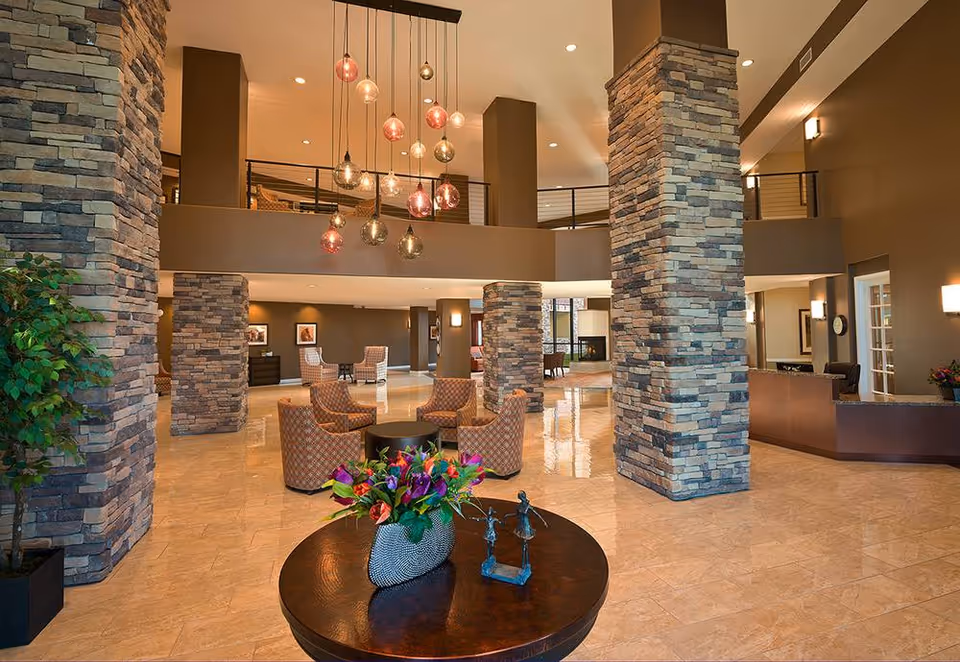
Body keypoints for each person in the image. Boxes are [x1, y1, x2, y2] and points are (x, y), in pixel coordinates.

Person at [503, 491, 547, 568]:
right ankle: (524, 563)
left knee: (525, 544)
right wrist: (507, 515)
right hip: (520, 524)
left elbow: (536, 514)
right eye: (519, 497)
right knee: (523, 543)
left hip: (526, 525)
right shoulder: (519, 506)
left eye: (520, 497)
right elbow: (516, 514)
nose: (521, 498)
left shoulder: (528, 506)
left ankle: (525, 563)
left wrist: (543, 521)